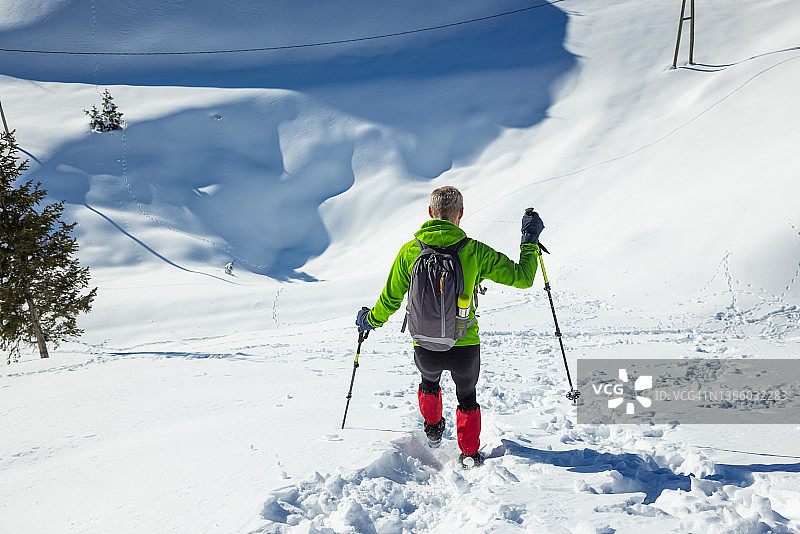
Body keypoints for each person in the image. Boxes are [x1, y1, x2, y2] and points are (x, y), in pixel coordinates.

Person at [355, 186, 543, 468]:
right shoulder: (474, 251)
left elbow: (390, 300)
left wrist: (369, 320)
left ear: (430, 213)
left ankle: (433, 430)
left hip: (424, 344)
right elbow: (523, 277)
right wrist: (529, 239)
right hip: (464, 345)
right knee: (467, 397)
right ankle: (468, 454)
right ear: (461, 214)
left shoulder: (410, 251)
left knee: (429, 383)